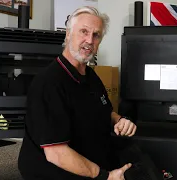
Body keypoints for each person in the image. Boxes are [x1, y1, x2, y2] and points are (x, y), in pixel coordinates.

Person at [18, 6, 137, 180]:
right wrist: (106, 176)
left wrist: (119, 120)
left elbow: (105, 111)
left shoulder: (90, 76)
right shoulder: (49, 83)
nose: (89, 40)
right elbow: (56, 153)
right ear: (68, 34)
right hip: (59, 171)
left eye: (96, 35)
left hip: (93, 159)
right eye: (83, 31)